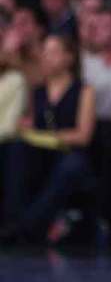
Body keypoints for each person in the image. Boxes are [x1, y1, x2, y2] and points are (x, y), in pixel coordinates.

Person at [1, 34, 96, 244]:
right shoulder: (38, 91)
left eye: (53, 52)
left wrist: (53, 136)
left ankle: (27, 226)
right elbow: (34, 125)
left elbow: (83, 135)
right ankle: (12, 219)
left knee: (71, 167)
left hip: (69, 152)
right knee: (16, 149)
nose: (46, 57)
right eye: (45, 52)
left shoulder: (83, 90)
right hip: (42, 151)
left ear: (69, 58)